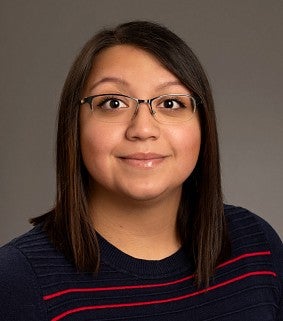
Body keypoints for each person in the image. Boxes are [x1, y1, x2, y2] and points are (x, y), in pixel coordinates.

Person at [0, 21, 282, 321]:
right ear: (75, 125)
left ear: (204, 125)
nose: (143, 129)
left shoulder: (256, 246)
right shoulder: (16, 281)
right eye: (113, 103)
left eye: (171, 103)